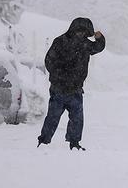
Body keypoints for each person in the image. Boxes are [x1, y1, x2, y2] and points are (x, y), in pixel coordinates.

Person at [36, 17, 105, 151]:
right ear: (73, 29)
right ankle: (44, 141)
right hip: (59, 89)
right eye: (79, 31)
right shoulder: (60, 41)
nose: (81, 34)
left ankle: (73, 143)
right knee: (53, 117)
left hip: (75, 89)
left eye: (84, 32)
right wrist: (59, 76)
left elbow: (98, 47)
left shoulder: (85, 44)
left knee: (76, 119)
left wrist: (100, 38)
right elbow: (49, 61)